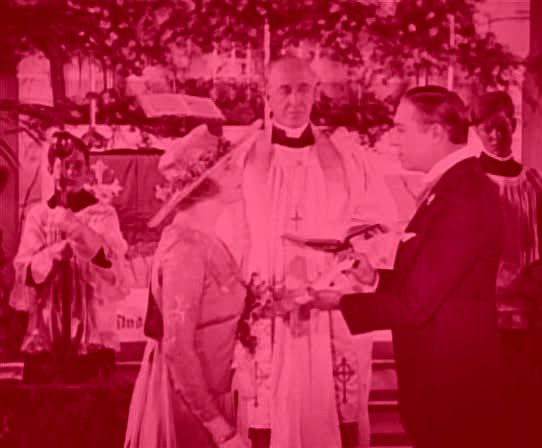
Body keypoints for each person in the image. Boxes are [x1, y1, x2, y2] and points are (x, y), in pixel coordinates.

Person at [311, 86, 509, 448]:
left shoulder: (464, 197)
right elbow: (434, 281)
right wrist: (374, 278)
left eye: (402, 129)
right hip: (441, 378)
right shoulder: (451, 188)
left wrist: (340, 302)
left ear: (436, 133)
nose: (393, 139)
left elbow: (416, 305)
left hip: (455, 384)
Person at [230, 55, 398, 448]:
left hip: (331, 300)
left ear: (316, 92)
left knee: (338, 403)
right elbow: (229, 231)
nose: (295, 100)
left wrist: (352, 254)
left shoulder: (348, 157)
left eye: (304, 89)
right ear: (266, 95)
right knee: (266, 407)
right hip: (268, 300)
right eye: (284, 90)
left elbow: (380, 221)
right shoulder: (244, 157)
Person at [123, 124, 249, 448]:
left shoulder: (206, 239)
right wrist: (219, 428)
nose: (239, 172)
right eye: (229, 167)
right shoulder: (186, 250)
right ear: (204, 182)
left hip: (213, 392)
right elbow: (178, 349)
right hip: (189, 404)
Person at [10, 131, 128, 383]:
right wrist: (51, 255)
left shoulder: (103, 214)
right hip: (47, 333)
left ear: (87, 172)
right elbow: (24, 273)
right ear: (50, 169)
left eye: (77, 166)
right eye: (63, 165)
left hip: (91, 336)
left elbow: (113, 267)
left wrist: (78, 230)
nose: (70, 173)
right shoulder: (39, 215)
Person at [470, 91, 542, 446]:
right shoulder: (468, 184)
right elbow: (463, 249)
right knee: (488, 410)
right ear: (476, 131)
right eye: (487, 128)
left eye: (502, 126)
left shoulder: (537, 183)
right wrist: (512, 280)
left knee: (528, 407)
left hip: (532, 316)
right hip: (483, 315)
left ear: (514, 126)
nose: (495, 135)